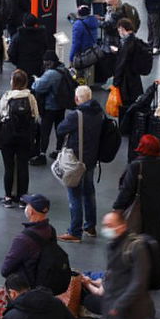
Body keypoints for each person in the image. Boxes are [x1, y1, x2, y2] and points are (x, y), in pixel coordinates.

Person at [113, 134, 160, 285]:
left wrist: (117, 209)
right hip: (157, 209)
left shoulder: (136, 165)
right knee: (156, 239)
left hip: (139, 210)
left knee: (136, 241)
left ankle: (138, 272)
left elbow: (126, 190)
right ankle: (156, 272)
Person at [55, 85, 103, 242]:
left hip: (76, 161)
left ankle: (75, 232)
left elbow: (60, 129)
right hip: (91, 160)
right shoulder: (98, 112)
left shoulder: (76, 115)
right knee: (89, 193)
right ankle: (90, 226)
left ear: (77, 99)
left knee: (74, 195)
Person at [0, 70, 41, 205]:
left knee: (8, 167)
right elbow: (36, 115)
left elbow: (2, 113)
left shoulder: (7, 96)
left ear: (13, 82)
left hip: (8, 136)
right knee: (23, 166)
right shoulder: (30, 97)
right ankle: (23, 198)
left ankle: (8, 197)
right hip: (25, 136)